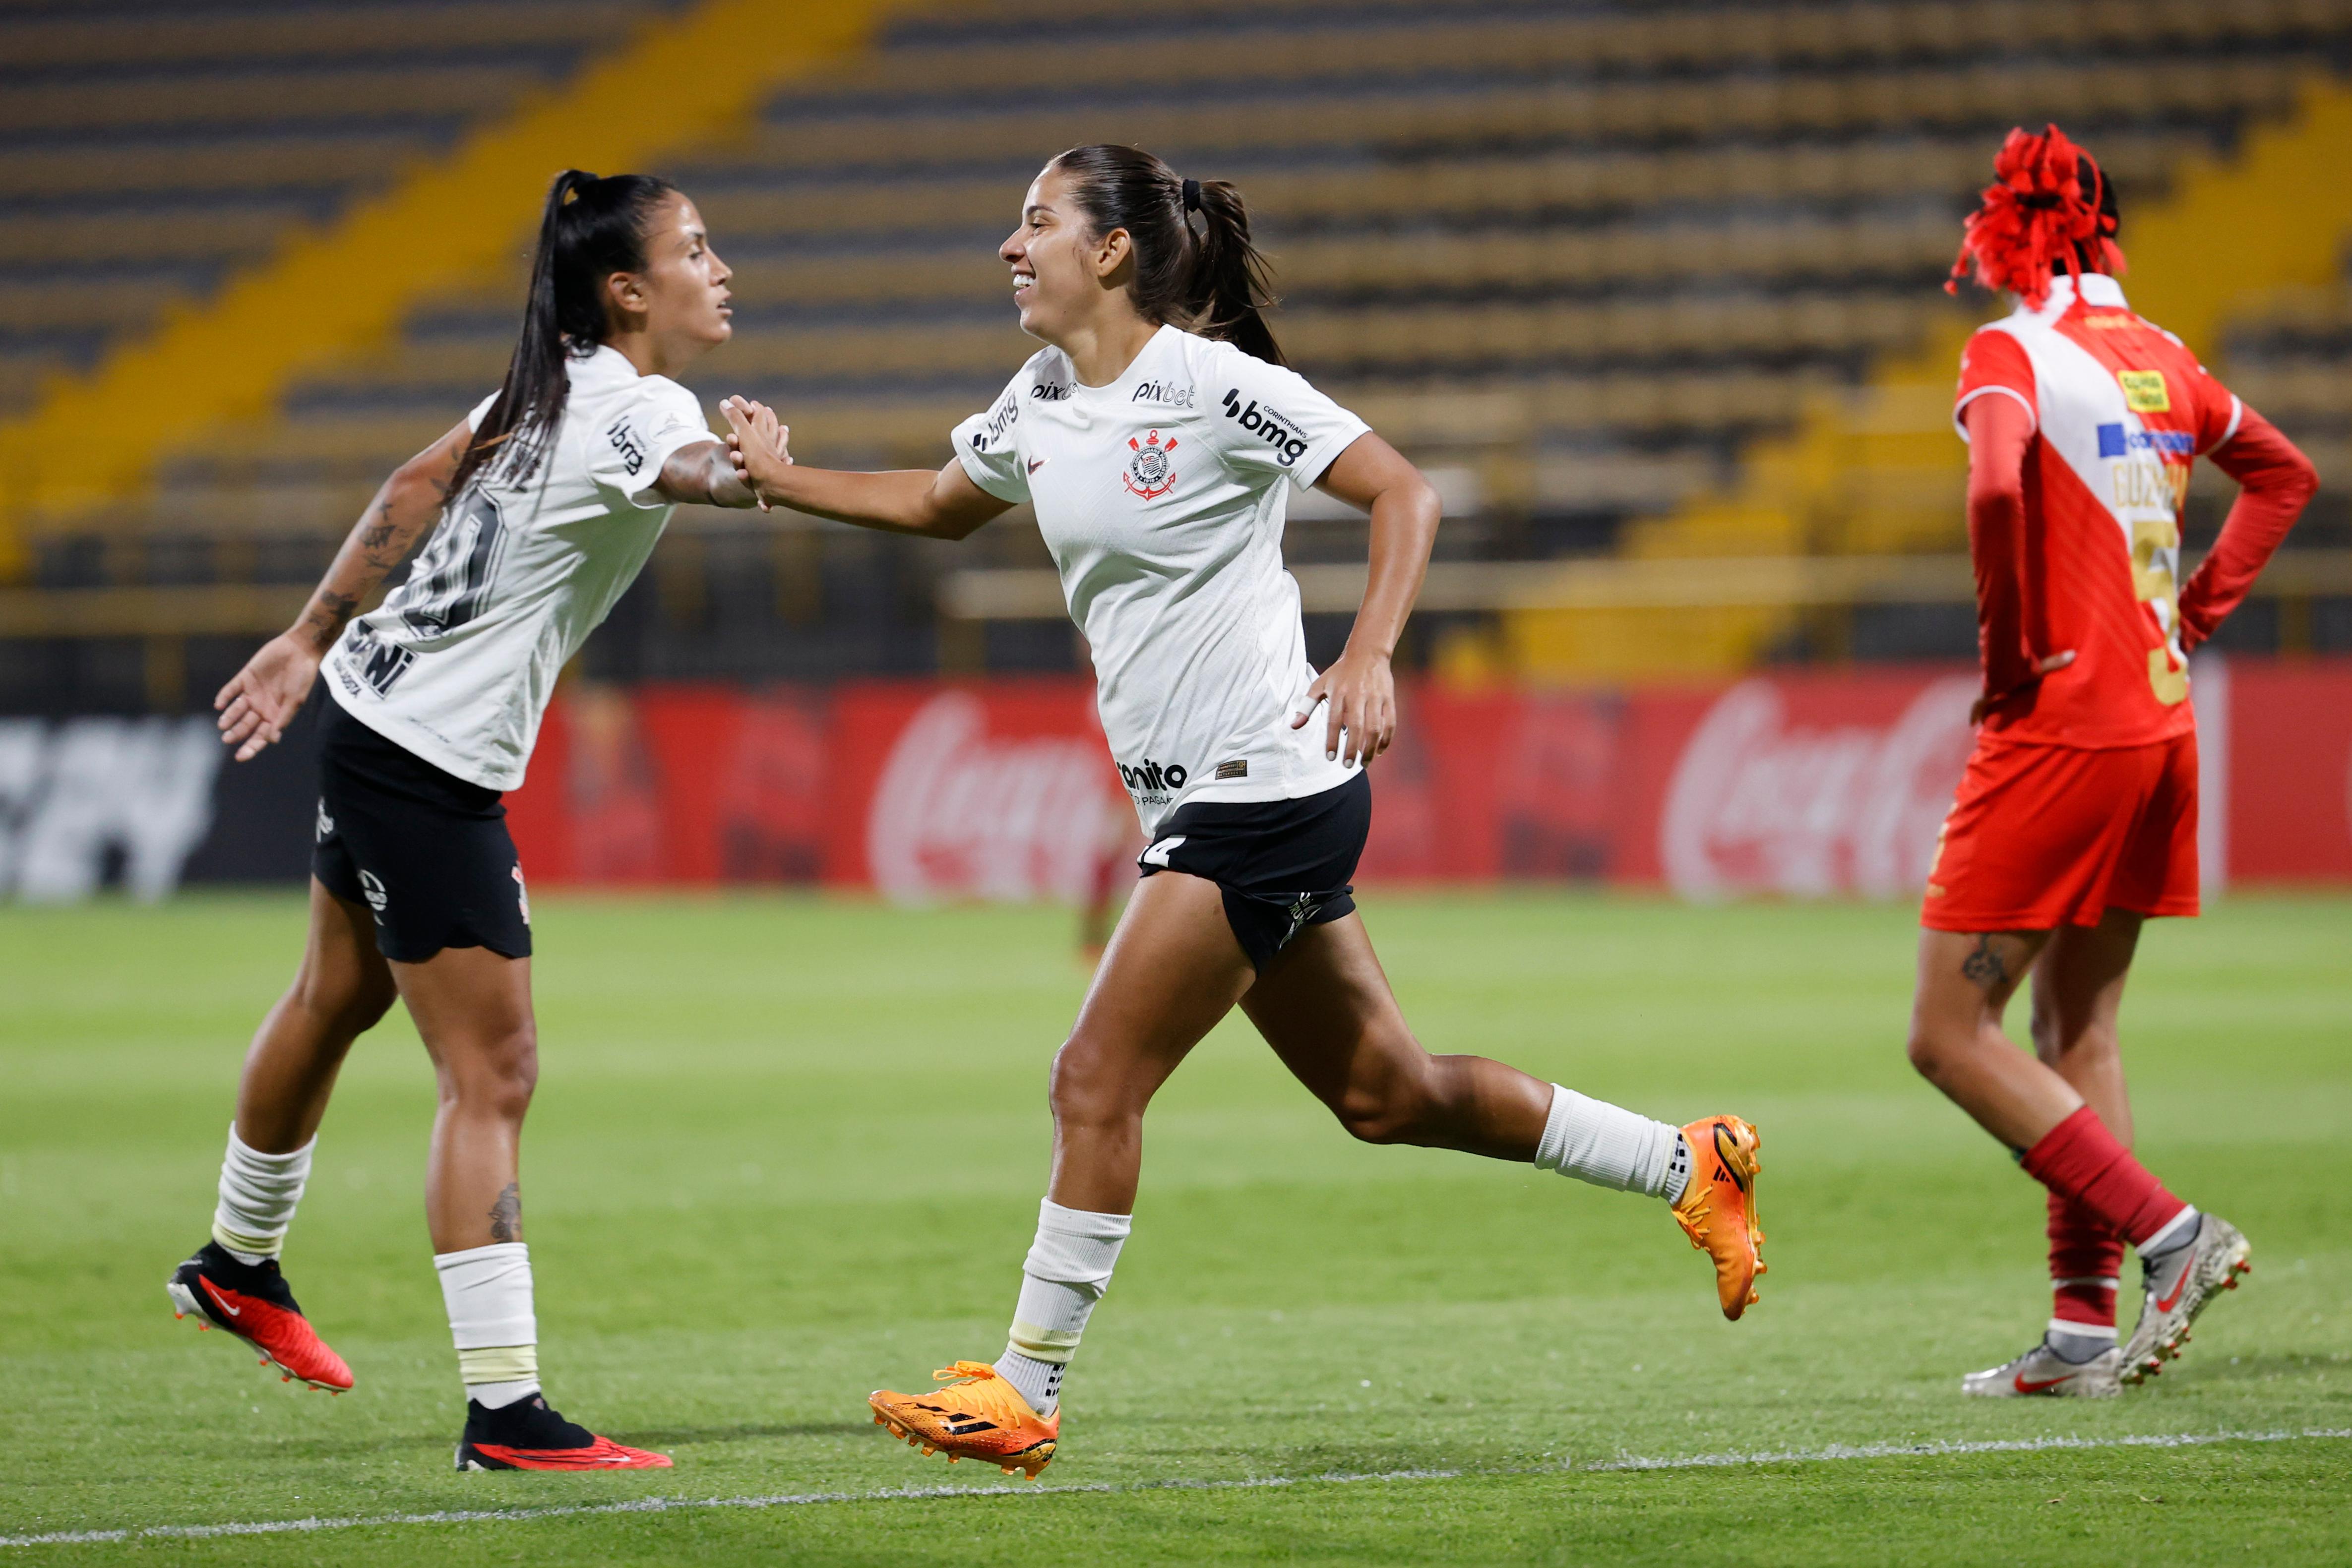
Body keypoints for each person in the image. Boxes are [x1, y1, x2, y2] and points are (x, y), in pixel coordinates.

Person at [719, 143, 1769, 1480]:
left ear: (1108, 251)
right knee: (1387, 1093)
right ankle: (1688, 1162)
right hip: (1205, 798)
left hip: (1266, 787)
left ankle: (1023, 1390)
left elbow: (1404, 491)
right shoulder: (1040, 394)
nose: (1008, 245)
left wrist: (1370, 651)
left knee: (1093, 1078)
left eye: (1034, 221)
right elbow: (936, 506)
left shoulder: (1215, 385)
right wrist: (778, 475)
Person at [173, 170, 767, 1469]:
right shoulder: (631, 398)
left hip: (370, 713)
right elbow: (678, 465)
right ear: (628, 291)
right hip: (426, 766)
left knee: (335, 997)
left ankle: (236, 1260)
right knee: (491, 1076)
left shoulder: (543, 380)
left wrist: (305, 638)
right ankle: (505, 1408)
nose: (720, 270)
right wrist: (740, 471)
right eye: (696, 251)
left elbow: (416, 478)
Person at [1917, 126, 2316, 1398]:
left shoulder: (2008, 350)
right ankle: (2084, 1333)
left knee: (1948, 1032)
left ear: (2013, 233)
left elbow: (1991, 495)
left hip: (2059, 728)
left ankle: (2173, 1236)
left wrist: (2007, 650)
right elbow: (2282, 476)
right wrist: (2190, 620)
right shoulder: (2164, 359)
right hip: (2161, 727)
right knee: (2076, 1021)